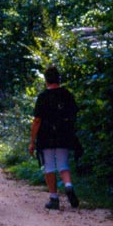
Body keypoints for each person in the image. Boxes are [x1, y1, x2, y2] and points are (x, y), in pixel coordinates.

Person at [29, 65, 80, 210]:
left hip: (46, 136)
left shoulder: (43, 97)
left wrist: (32, 141)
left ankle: (54, 198)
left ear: (46, 80)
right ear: (59, 79)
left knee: (49, 167)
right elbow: (73, 114)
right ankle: (68, 186)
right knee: (63, 164)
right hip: (64, 134)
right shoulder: (67, 94)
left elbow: (37, 120)